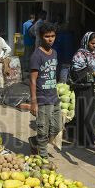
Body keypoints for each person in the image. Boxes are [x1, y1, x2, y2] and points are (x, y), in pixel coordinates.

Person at [28, 22, 61, 158]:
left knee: (56, 127)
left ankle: (34, 141)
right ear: (41, 37)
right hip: (42, 98)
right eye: (47, 36)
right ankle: (43, 157)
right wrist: (34, 102)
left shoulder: (54, 53)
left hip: (54, 97)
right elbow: (33, 80)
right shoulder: (37, 56)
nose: (50, 39)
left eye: (52, 36)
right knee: (43, 130)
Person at [70, 31, 95, 150]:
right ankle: (84, 140)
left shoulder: (93, 54)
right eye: (92, 43)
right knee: (84, 114)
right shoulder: (79, 55)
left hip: (92, 88)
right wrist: (92, 73)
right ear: (86, 42)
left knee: (91, 114)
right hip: (83, 89)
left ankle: (87, 139)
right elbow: (77, 73)